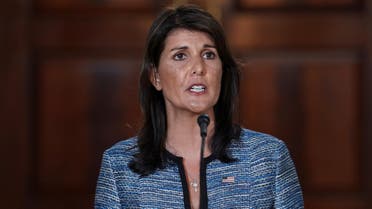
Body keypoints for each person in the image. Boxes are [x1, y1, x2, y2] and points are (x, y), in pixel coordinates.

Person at [95, 4, 303, 209]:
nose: (198, 68)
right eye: (180, 56)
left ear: (222, 70)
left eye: (209, 55)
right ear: (155, 76)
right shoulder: (119, 164)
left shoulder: (268, 156)